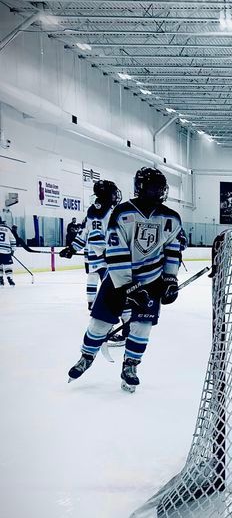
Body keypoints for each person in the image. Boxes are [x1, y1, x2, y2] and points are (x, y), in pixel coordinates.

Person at [67, 167, 183, 393]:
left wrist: (170, 279)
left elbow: (173, 249)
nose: (158, 192)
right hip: (118, 280)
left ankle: (130, 365)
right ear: (141, 188)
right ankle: (86, 357)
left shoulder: (171, 217)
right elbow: (116, 251)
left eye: (160, 188)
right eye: (153, 187)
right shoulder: (122, 213)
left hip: (151, 280)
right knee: (100, 323)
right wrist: (128, 287)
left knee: (142, 327)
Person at [59, 180, 121, 310]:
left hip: (92, 254)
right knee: (110, 280)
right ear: (107, 195)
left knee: (92, 277)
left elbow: (84, 233)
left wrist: (72, 248)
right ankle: (108, 306)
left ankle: (91, 302)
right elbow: (112, 234)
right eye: (113, 193)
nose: (115, 196)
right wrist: (110, 251)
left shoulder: (90, 212)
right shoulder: (112, 212)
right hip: (107, 253)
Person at [0, 216, 16, 286]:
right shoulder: (7, 229)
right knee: (7, 265)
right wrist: (13, 250)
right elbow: (13, 240)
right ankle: (10, 279)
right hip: (6, 251)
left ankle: (0, 279)